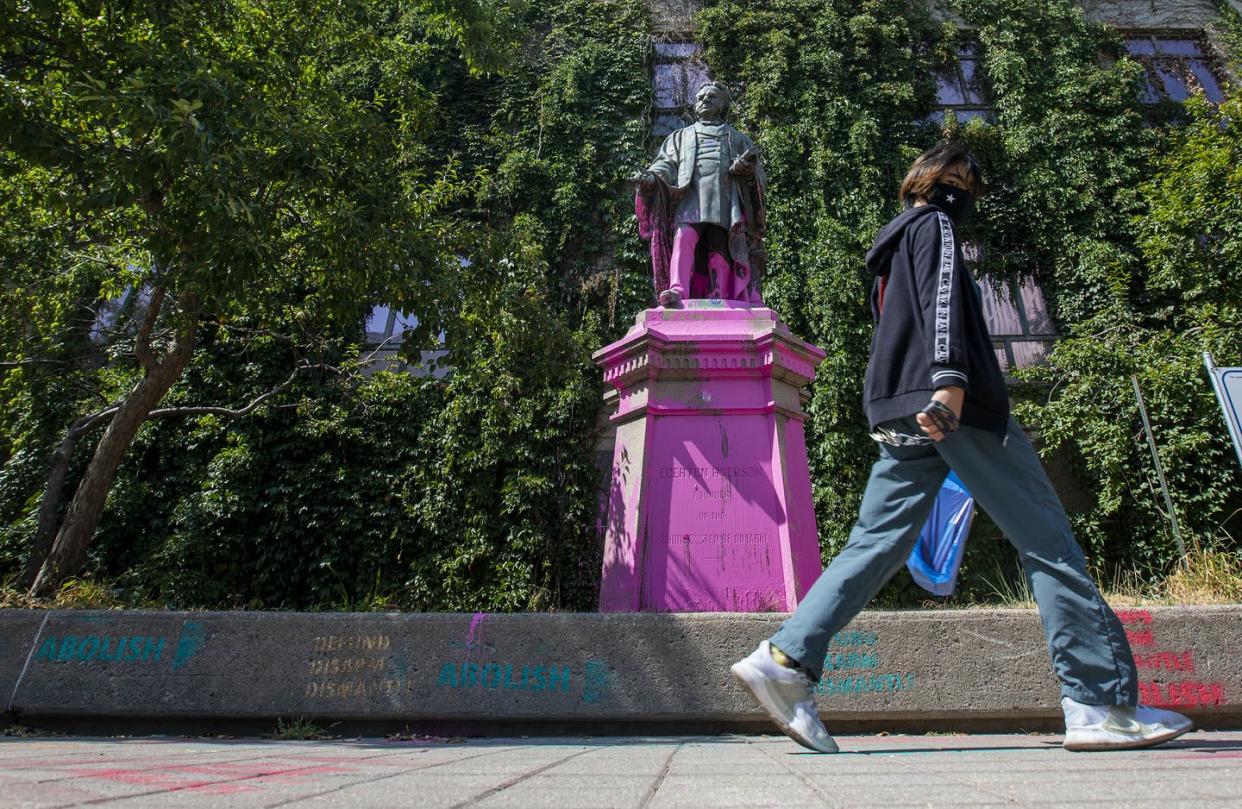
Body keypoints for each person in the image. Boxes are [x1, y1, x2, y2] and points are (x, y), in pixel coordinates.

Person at [731, 140, 1193, 753]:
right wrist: (951, 382)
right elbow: (941, 305)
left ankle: (785, 660)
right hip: (956, 410)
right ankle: (1100, 703)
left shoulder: (895, 242)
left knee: (876, 543)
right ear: (925, 181)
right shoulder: (935, 225)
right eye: (954, 177)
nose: (963, 190)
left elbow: (907, 322)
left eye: (968, 181)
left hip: (902, 409)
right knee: (1048, 544)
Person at [634, 81, 766, 307]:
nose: (705, 100)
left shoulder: (738, 139)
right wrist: (652, 177)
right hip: (690, 199)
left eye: (712, 97)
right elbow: (665, 164)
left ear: (723, 106)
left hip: (725, 202)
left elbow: (759, 175)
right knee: (683, 239)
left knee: (720, 249)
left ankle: (720, 296)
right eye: (701, 97)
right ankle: (677, 290)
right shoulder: (681, 137)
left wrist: (749, 172)